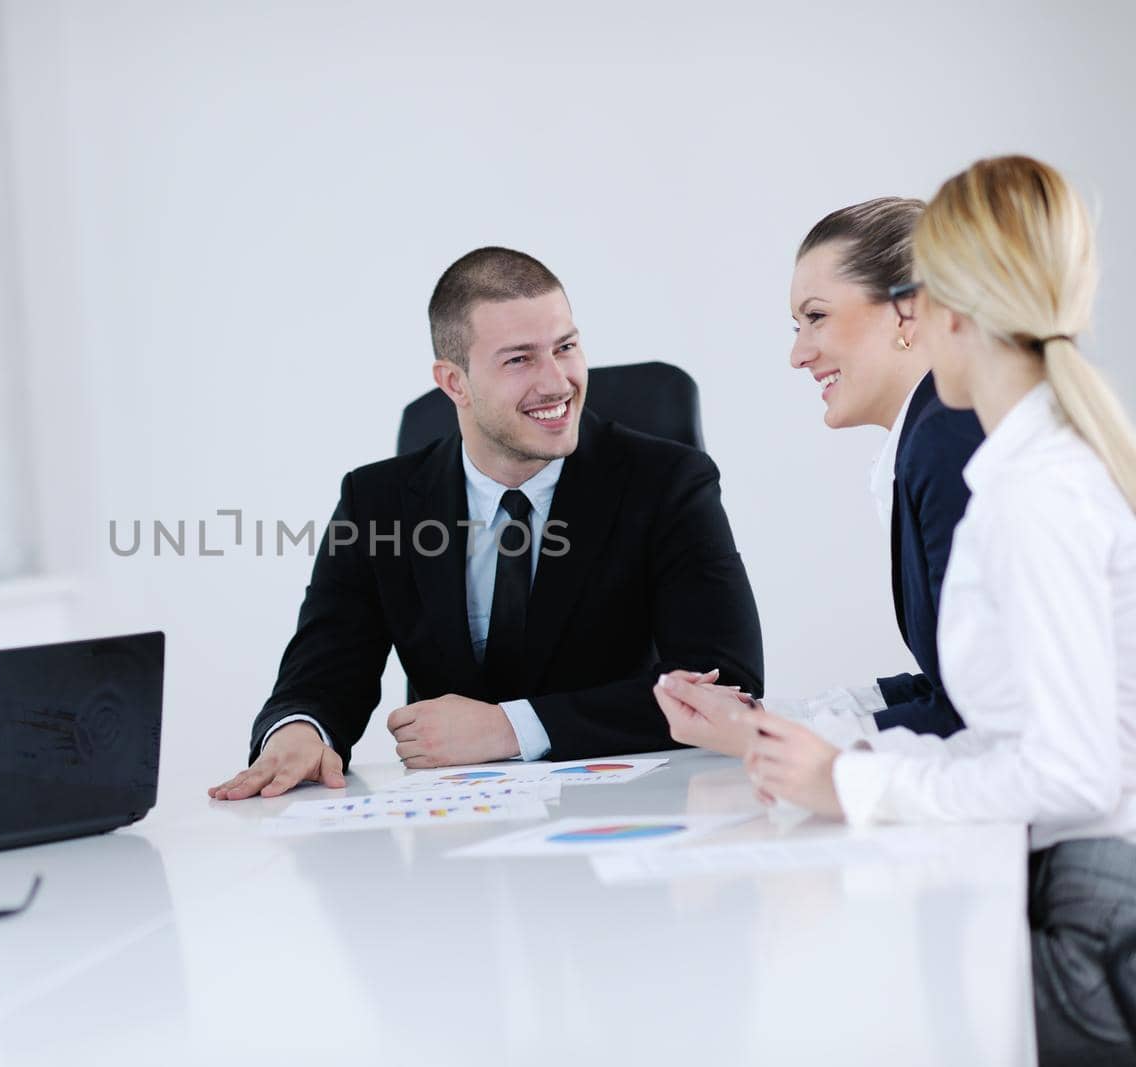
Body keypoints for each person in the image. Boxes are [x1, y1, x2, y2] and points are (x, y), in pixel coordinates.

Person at [663, 156, 1136, 1064]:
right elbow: (999, 723)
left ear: (930, 312)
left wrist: (848, 781)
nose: (797, 351)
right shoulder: (1018, 467)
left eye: (812, 319)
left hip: (1091, 924)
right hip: (1076, 894)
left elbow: (1067, 770)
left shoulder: (1026, 485)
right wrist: (805, 745)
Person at [211, 246, 764, 800]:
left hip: (625, 810)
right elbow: (327, 665)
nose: (557, 382)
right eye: (519, 359)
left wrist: (512, 728)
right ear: (454, 382)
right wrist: (301, 731)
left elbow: (726, 680)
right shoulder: (377, 500)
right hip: (454, 837)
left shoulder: (667, 481)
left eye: (566, 347)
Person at [655, 199, 983, 757]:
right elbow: (952, 687)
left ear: (907, 312)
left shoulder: (948, 441)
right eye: (796, 324)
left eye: (817, 317)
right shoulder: (934, 433)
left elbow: (974, 717)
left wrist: (768, 741)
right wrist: (769, 719)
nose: (798, 354)